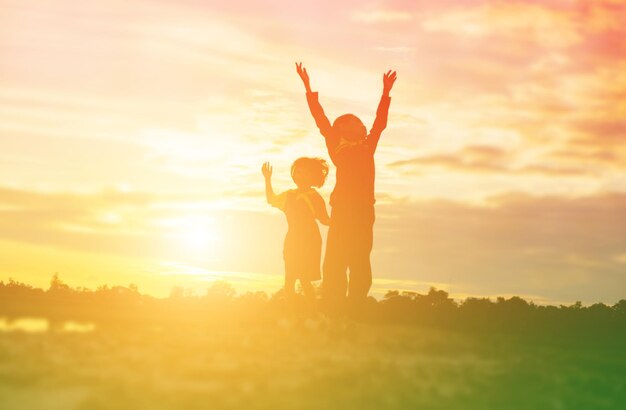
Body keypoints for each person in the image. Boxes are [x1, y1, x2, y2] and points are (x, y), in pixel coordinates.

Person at [295, 62, 397, 316]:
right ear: (343, 128)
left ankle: (356, 309)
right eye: (356, 123)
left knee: (360, 260)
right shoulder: (335, 145)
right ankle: (332, 308)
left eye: (362, 124)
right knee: (335, 261)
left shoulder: (367, 146)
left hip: (363, 211)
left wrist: (385, 94)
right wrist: (308, 87)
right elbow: (320, 118)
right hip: (342, 210)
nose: (362, 126)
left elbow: (380, 123)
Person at [262, 158, 330, 315]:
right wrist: (267, 179)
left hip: (310, 241)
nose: (299, 175)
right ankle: (290, 315)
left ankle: (312, 313)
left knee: (305, 280)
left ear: (311, 175)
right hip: (292, 240)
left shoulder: (315, 197)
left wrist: (343, 219)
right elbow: (271, 199)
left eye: (304, 172)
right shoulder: (289, 196)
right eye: (297, 172)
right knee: (290, 278)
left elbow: (325, 220)